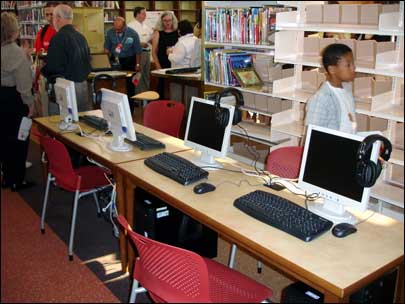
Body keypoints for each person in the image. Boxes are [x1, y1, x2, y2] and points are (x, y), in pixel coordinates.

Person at [1, 12, 35, 191]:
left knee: (4, 138)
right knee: (19, 139)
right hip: (14, 100)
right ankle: (17, 179)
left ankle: (6, 176)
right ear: (13, 31)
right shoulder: (17, 53)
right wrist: (30, 104)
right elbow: (23, 85)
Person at [41, 4, 92, 114]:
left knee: (59, 125)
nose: (52, 21)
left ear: (58, 18)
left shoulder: (58, 38)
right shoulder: (81, 36)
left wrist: (43, 69)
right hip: (83, 88)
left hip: (65, 90)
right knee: (82, 123)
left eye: (53, 17)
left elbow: (53, 67)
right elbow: (88, 61)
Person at [305, 43, 357, 134]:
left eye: (353, 63)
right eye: (348, 65)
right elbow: (311, 135)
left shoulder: (347, 90)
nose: (354, 68)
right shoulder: (321, 99)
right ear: (332, 69)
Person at [104, 16, 141, 114]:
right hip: (115, 61)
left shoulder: (133, 33)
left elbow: (138, 51)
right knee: (114, 85)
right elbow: (106, 49)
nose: (117, 31)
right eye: (115, 29)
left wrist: (137, 64)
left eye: (119, 29)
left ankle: (130, 110)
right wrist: (106, 61)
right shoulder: (110, 32)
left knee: (130, 86)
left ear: (124, 26)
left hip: (129, 61)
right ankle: (116, 109)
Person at [151, 11, 178, 98]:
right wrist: (158, 65)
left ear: (173, 20)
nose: (167, 22)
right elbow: (154, 52)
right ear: (162, 21)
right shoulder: (158, 33)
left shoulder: (177, 32)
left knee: (173, 87)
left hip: (174, 64)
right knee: (161, 87)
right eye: (165, 20)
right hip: (162, 64)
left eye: (169, 20)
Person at [127, 7, 153, 94]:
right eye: (143, 13)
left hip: (147, 53)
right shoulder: (130, 26)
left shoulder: (147, 25)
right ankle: (137, 96)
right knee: (138, 75)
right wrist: (139, 44)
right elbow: (128, 42)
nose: (145, 15)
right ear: (137, 14)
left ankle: (145, 95)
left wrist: (151, 41)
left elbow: (150, 37)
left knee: (146, 75)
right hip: (137, 54)